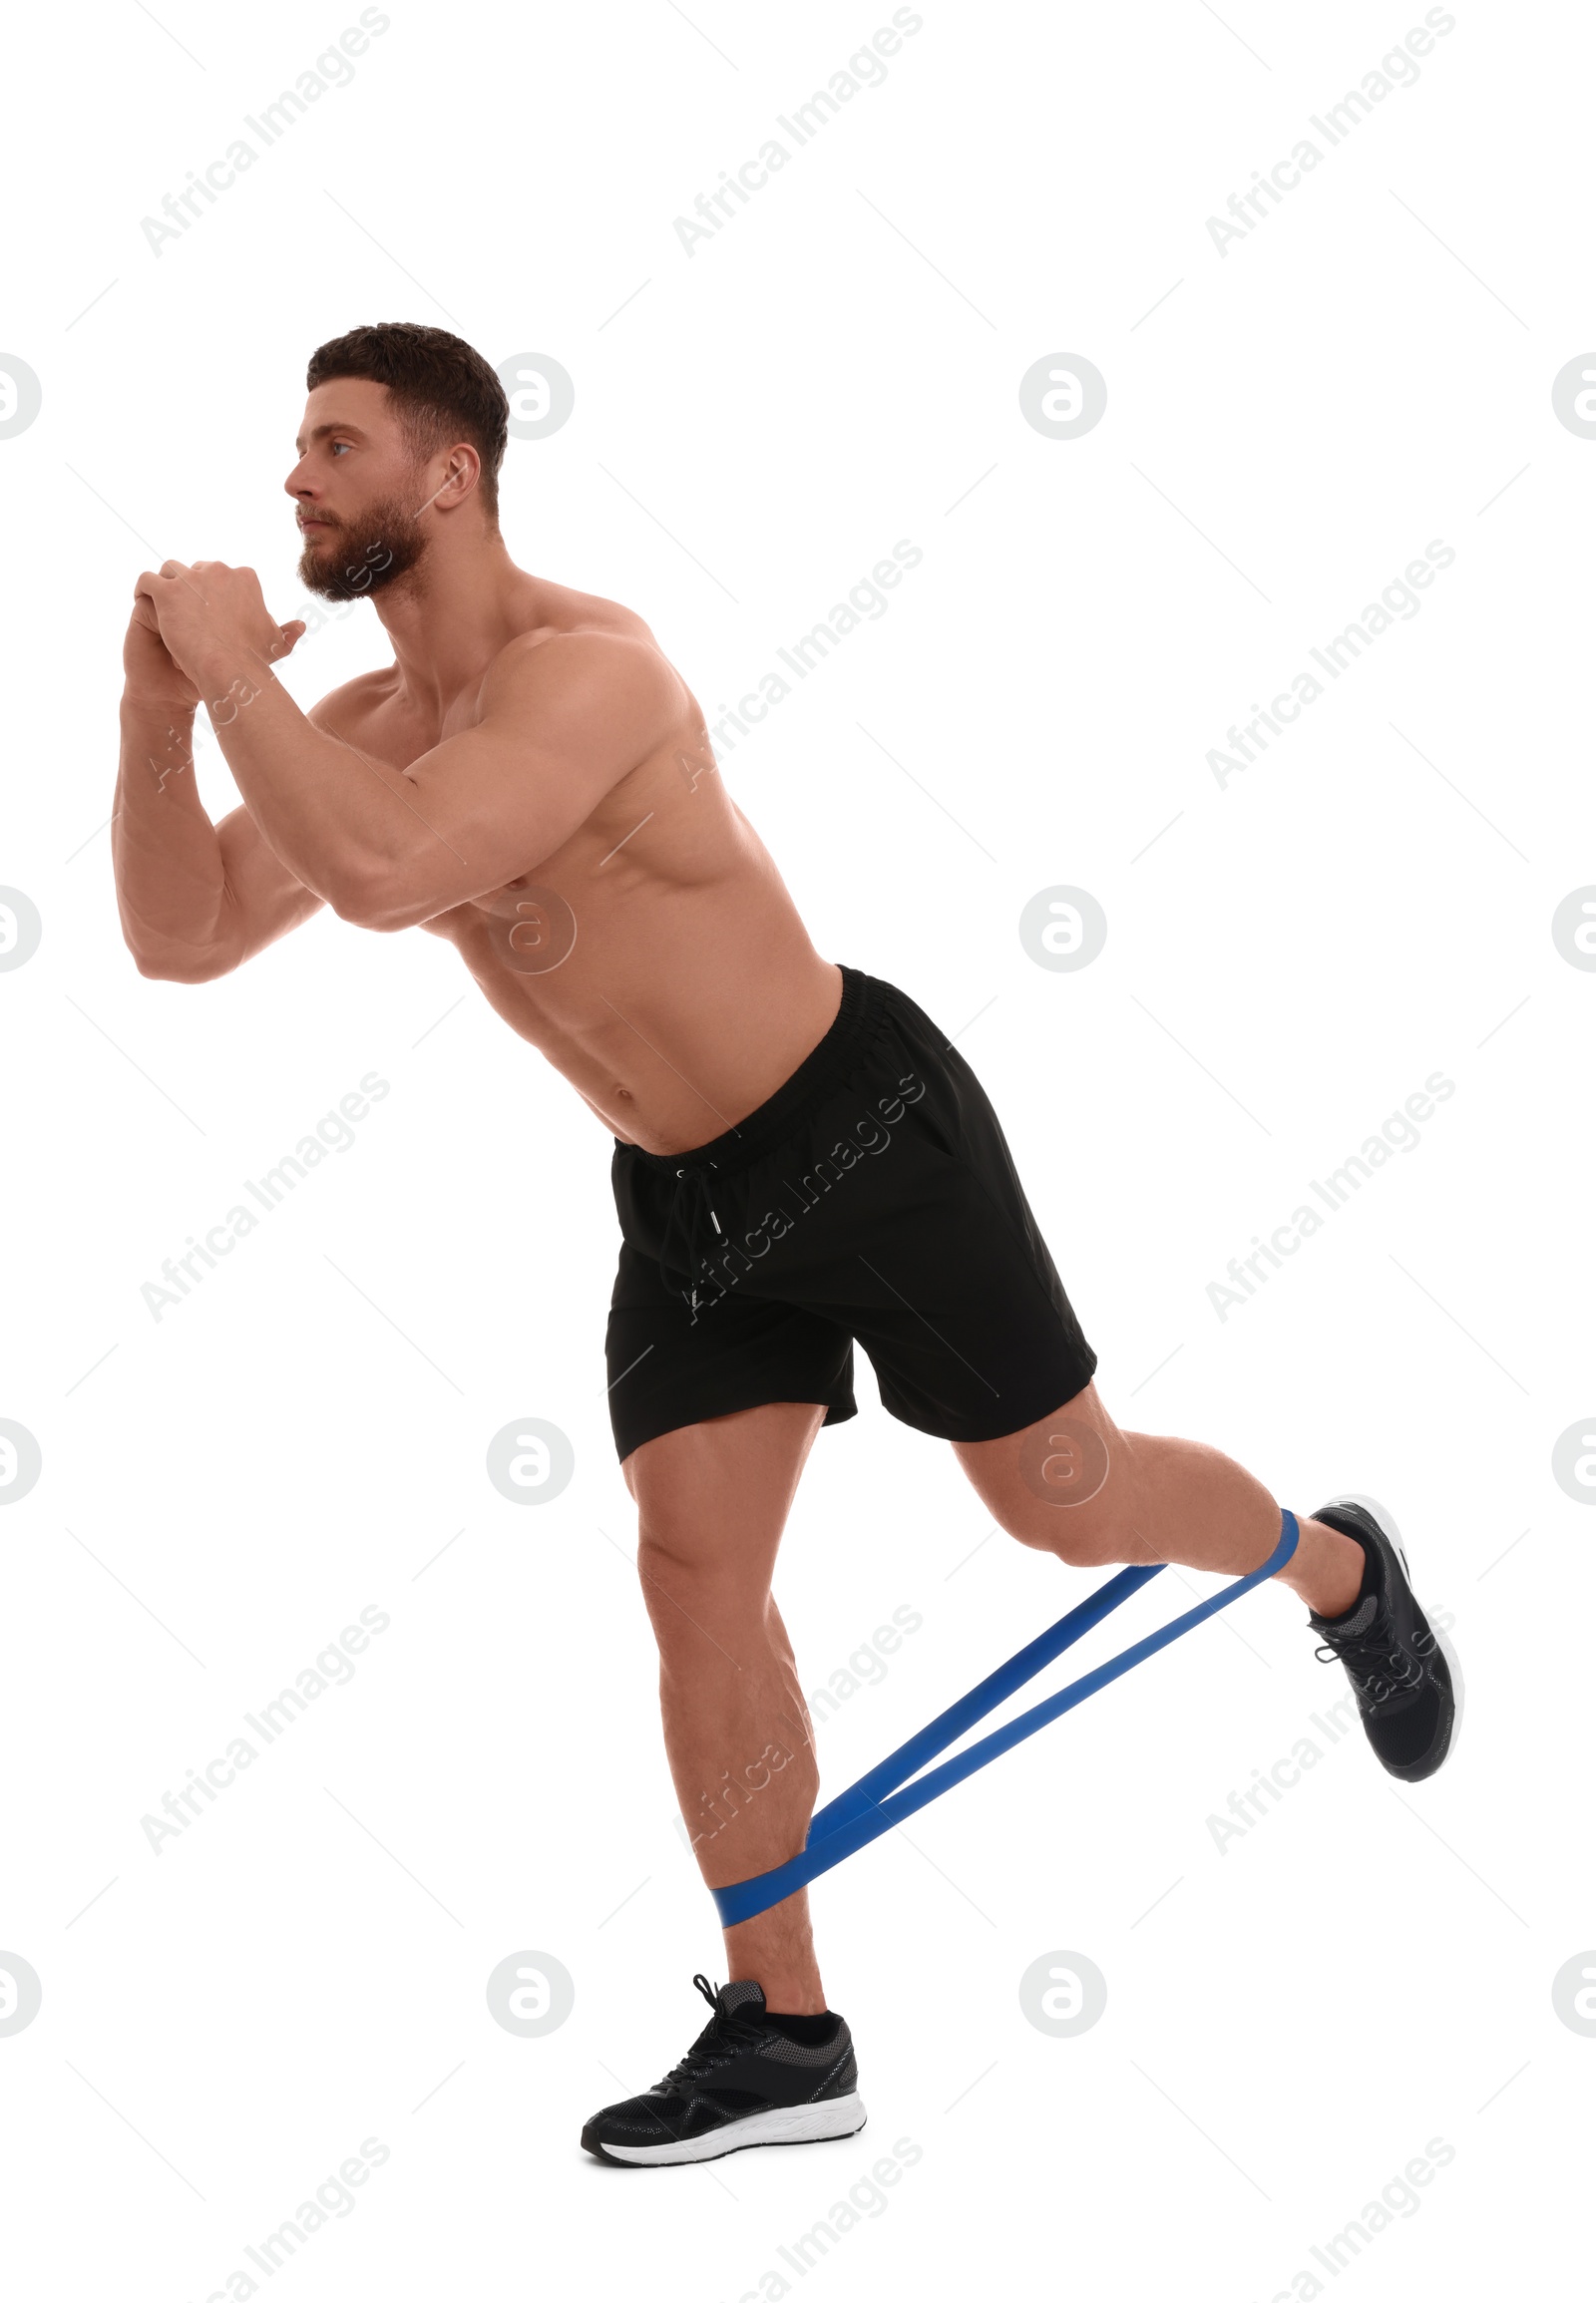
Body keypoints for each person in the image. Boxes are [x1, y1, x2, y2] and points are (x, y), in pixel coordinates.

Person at [113, 321, 1457, 2170]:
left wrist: (224, 680)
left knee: (1062, 1497)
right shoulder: (359, 728)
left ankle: (1338, 1572)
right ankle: (788, 2031)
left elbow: (389, 873)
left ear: (450, 477)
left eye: (332, 445)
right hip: (682, 1201)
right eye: (296, 450)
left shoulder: (591, 676)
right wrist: (158, 710)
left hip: (860, 1137)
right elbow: (183, 938)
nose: (293, 482)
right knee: (690, 1576)